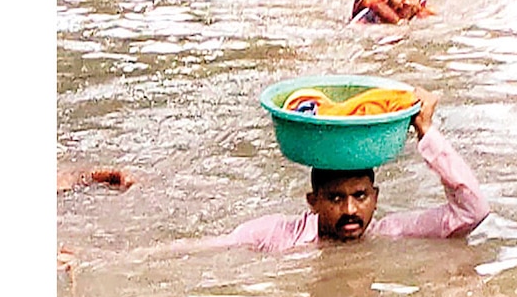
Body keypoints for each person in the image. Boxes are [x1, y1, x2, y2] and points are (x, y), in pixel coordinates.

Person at [207, 88, 489, 250]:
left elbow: (472, 211)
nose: (350, 210)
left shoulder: (394, 235)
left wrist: (425, 130)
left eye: (360, 196)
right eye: (335, 198)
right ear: (312, 201)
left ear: (375, 197)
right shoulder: (275, 235)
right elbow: (204, 252)